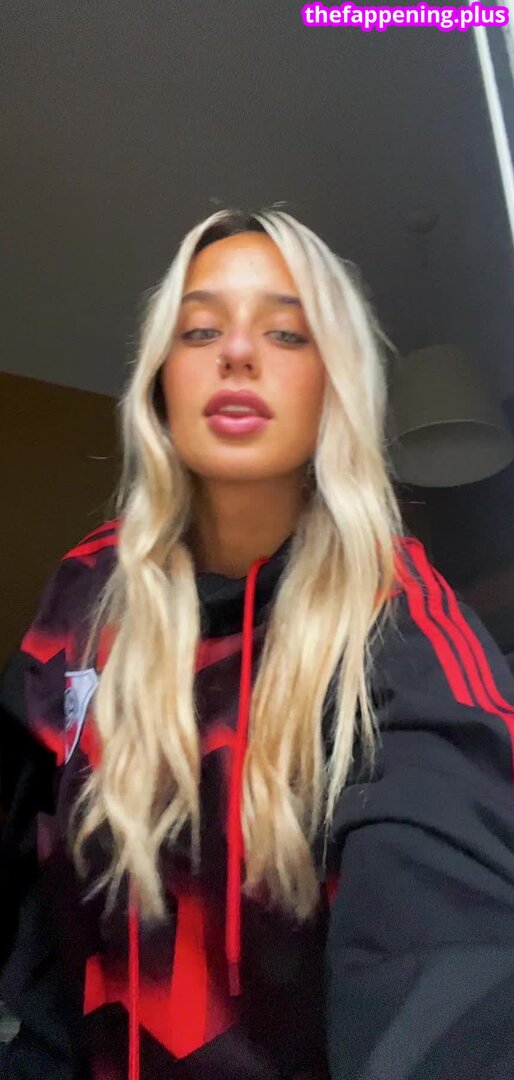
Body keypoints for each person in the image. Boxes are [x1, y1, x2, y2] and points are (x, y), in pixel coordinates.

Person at [1, 208, 514, 1080]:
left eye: (286, 332)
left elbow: (452, 940)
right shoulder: (83, 589)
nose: (237, 352)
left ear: (336, 386)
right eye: (200, 330)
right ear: (160, 382)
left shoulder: (402, 619)